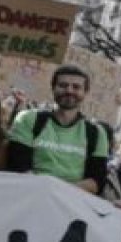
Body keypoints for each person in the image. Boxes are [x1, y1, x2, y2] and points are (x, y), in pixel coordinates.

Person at [7, 65, 110, 194]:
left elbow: (97, 181)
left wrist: (58, 191)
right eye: (63, 85)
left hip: (71, 203)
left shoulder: (97, 132)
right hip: (29, 194)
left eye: (76, 87)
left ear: (85, 92)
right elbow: (17, 167)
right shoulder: (28, 119)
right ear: (53, 88)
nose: (69, 90)